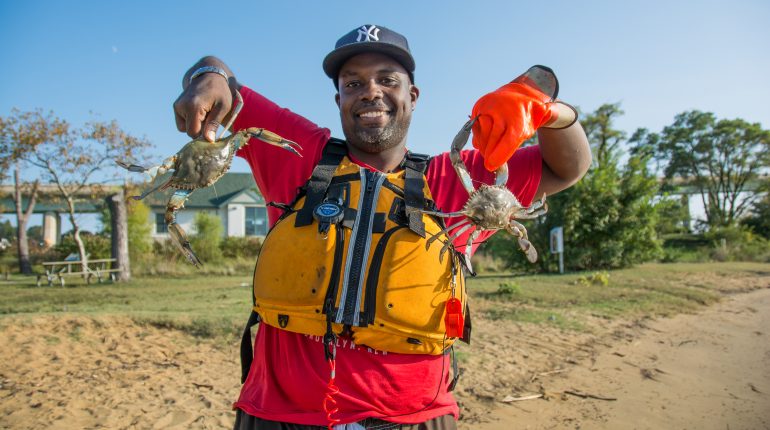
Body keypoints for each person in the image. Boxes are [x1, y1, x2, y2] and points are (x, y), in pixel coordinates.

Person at [173, 24, 591, 430]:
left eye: (386, 79)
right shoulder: (298, 153)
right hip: (279, 413)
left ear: (413, 95)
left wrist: (553, 114)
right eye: (352, 83)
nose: (370, 90)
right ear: (338, 99)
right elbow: (224, 83)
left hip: (414, 416)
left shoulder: (456, 179)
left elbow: (565, 166)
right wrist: (206, 75)